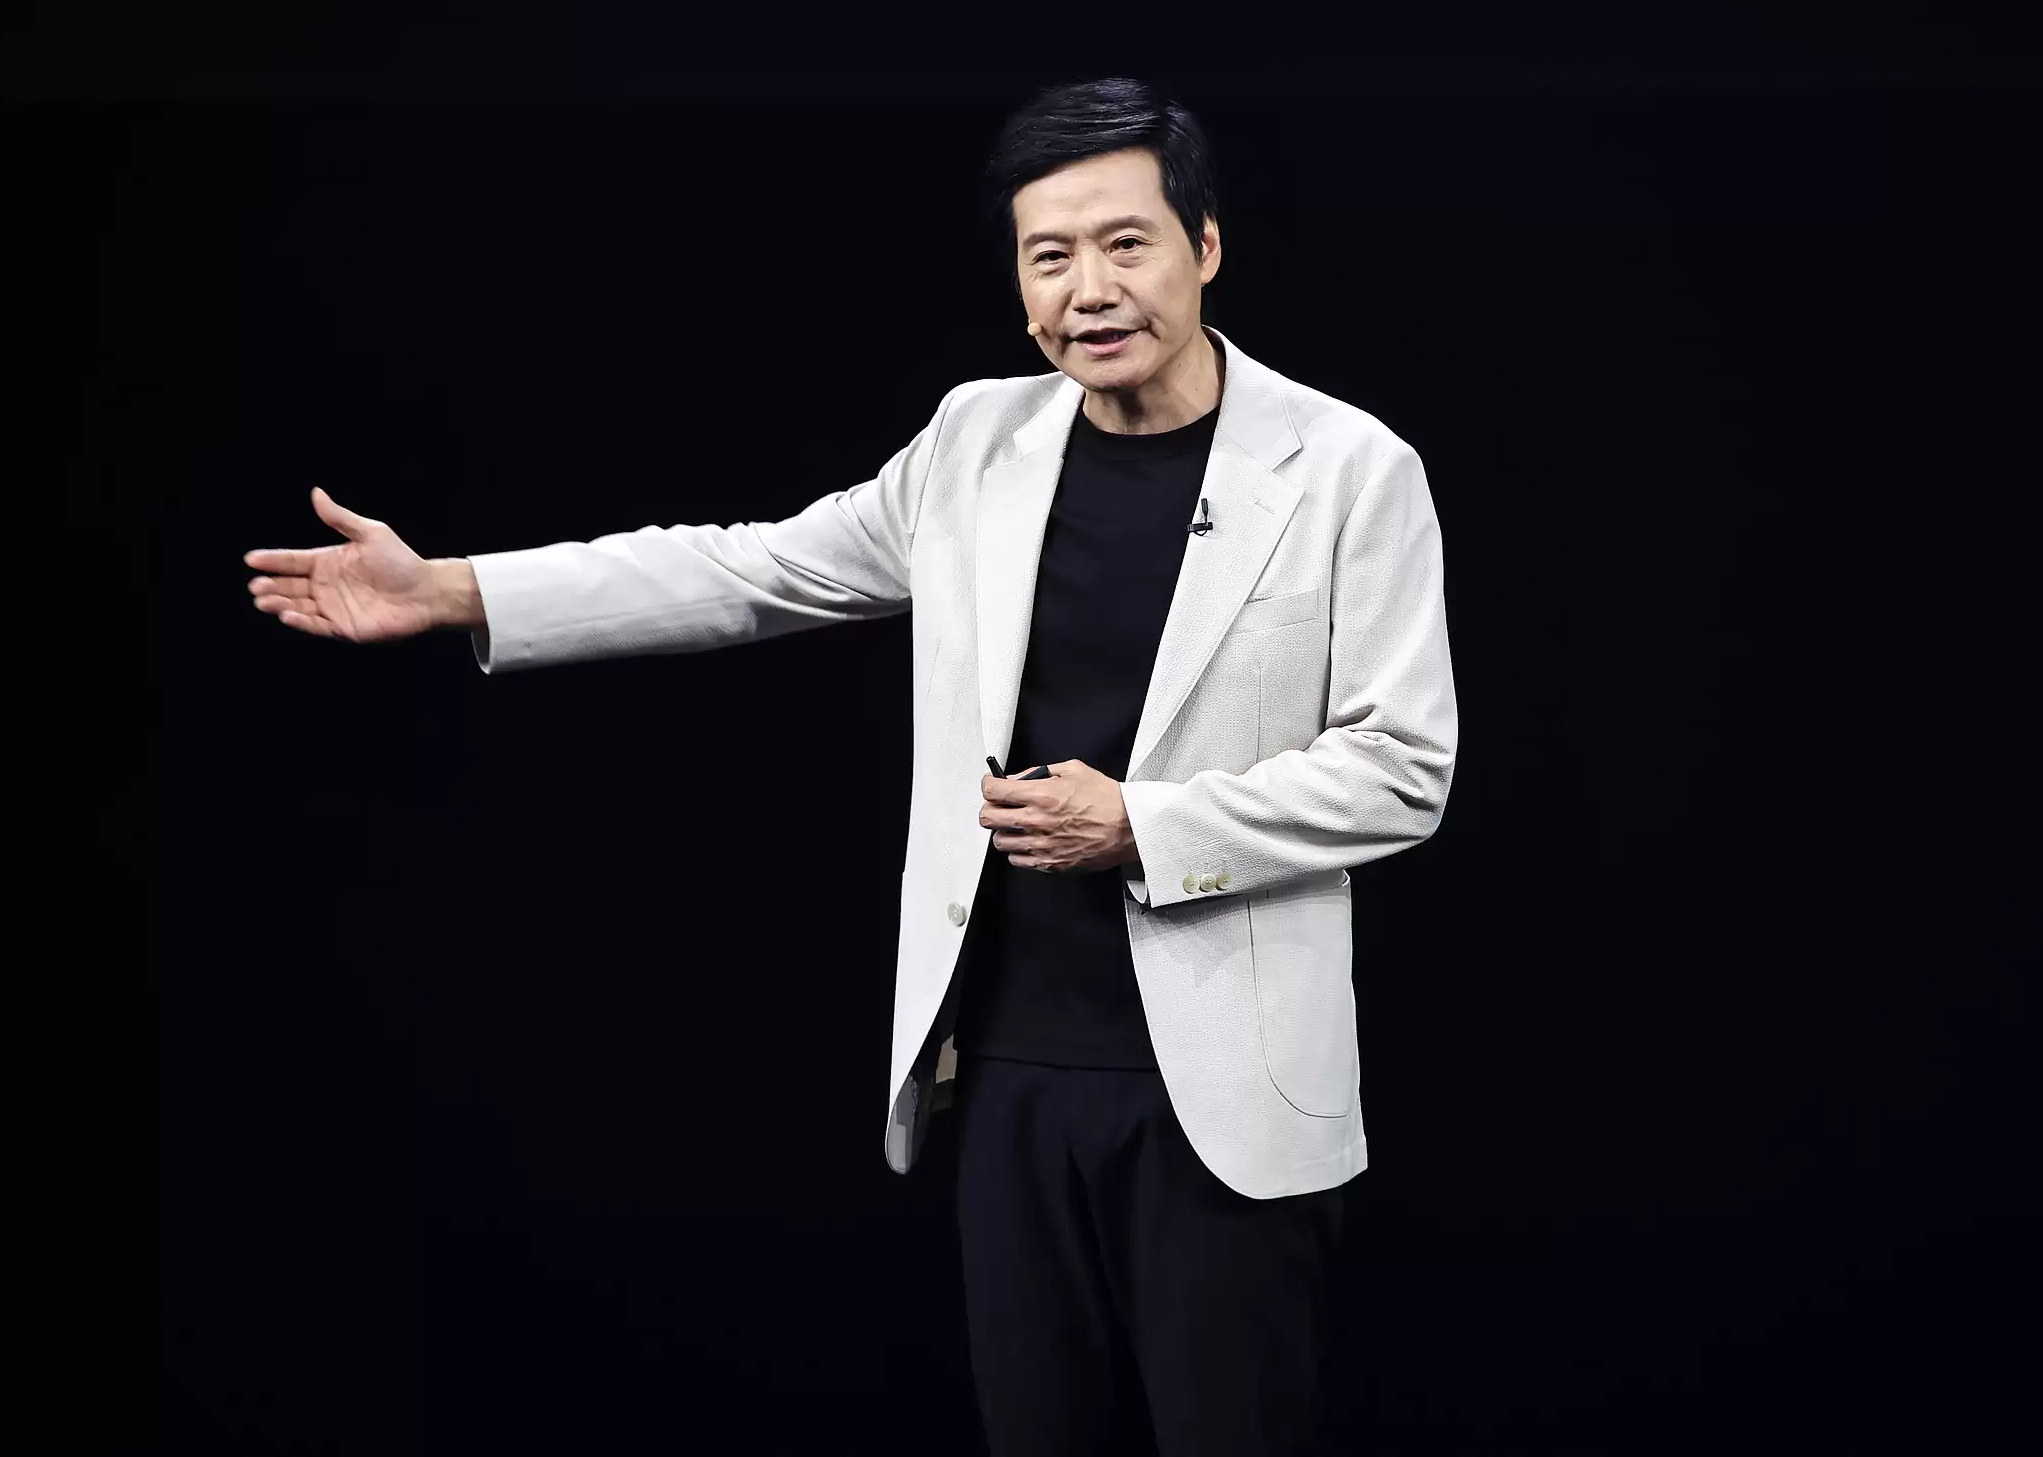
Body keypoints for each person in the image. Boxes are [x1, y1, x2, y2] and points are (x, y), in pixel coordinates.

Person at [243, 78, 1458, 1456]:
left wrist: (1146, 824)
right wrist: (458, 589)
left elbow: (1404, 766)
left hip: (1231, 1094)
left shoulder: (1349, 467)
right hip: (1003, 1070)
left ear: (1207, 246)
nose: (1090, 288)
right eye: (1049, 256)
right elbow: (754, 569)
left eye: (1128, 244)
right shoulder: (976, 445)